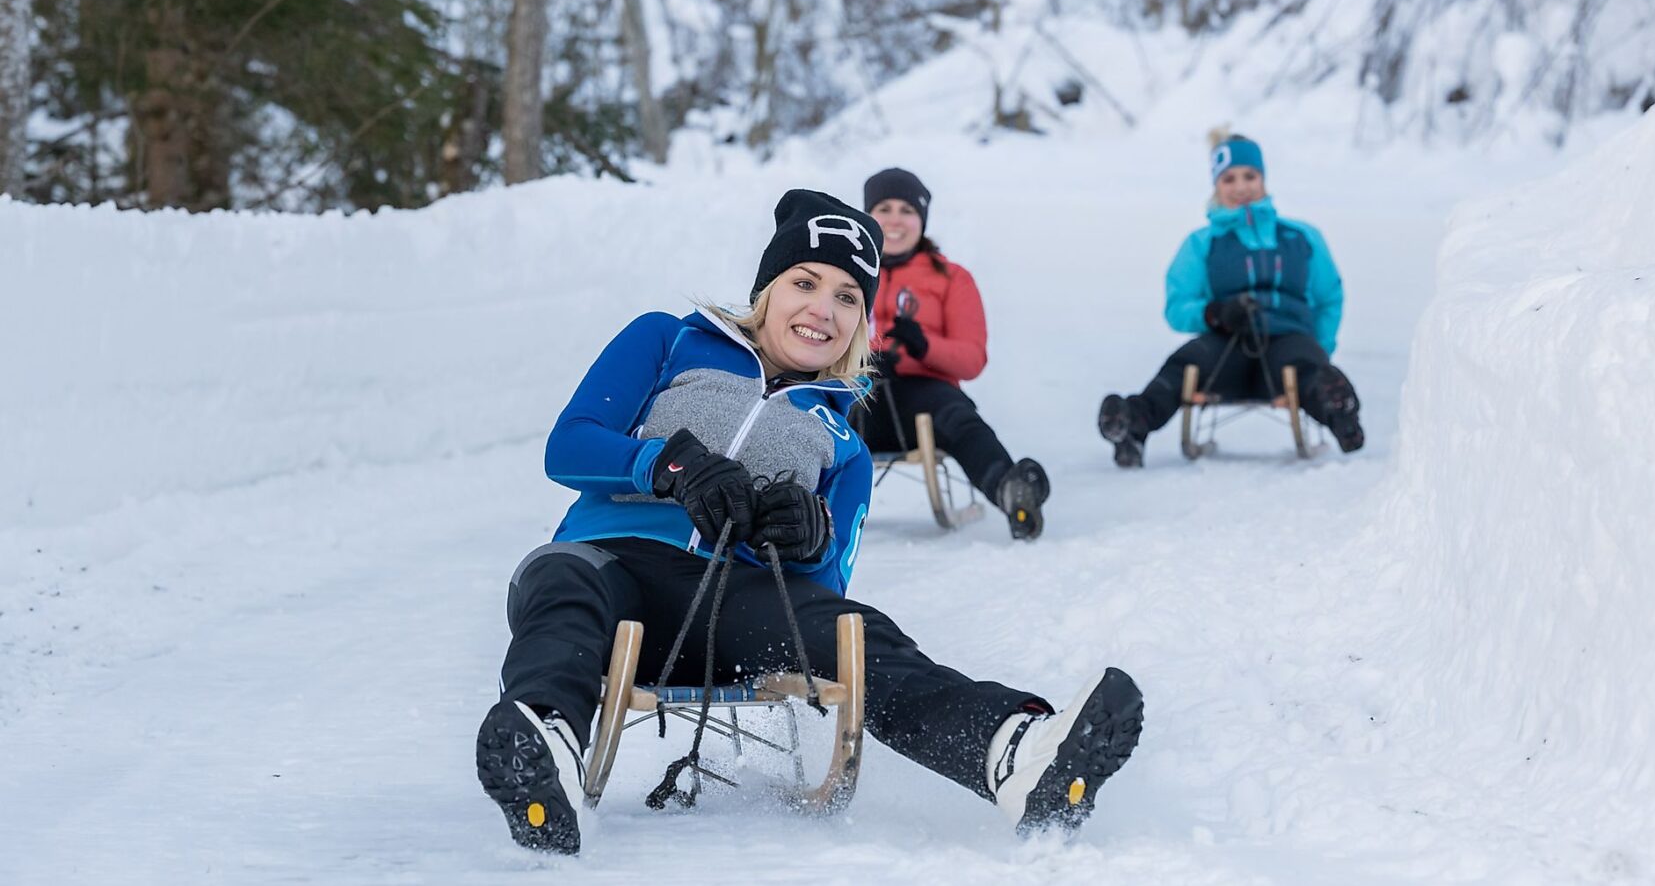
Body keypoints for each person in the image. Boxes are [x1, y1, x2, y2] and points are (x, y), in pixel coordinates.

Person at [475, 189, 1143, 853]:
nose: (824, 309)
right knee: (560, 581)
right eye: (805, 282)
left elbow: (826, 589)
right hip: (606, 564)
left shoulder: (843, 441)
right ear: (768, 288)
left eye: (849, 297)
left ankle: (1014, 752)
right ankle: (546, 746)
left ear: (862, 321)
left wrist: (809, 536)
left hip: (726, 610)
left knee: (855, 631)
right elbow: (569, 444)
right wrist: (667, 466)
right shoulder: (667, 338)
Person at [1097, 133, 1365, 466]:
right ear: (1216, 185)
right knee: (1184, 364)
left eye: (1250, 176)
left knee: (1307, 368)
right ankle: (1134, 421)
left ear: (1263, 179)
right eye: (1229, 179)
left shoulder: (1301, 237)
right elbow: (1177, 306)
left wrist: (1320, 348)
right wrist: (1214, 313)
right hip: (1227, 346)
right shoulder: (1202, 243)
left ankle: (1338, 412)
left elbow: (1329, 297)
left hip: (1288, 341)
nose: (1241, 187)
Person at [858, 167, 1051, 540]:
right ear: (868, 216)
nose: (895, 219)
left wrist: (922, 346)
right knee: (809, 415)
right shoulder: (847, 273)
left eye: (906, 210)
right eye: (884, 208)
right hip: (858, 398)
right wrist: (859, 358)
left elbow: (971, 358)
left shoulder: (950, 277)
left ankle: (1010, 490)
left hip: (924, 399)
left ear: (922, 220)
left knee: (957, 416)